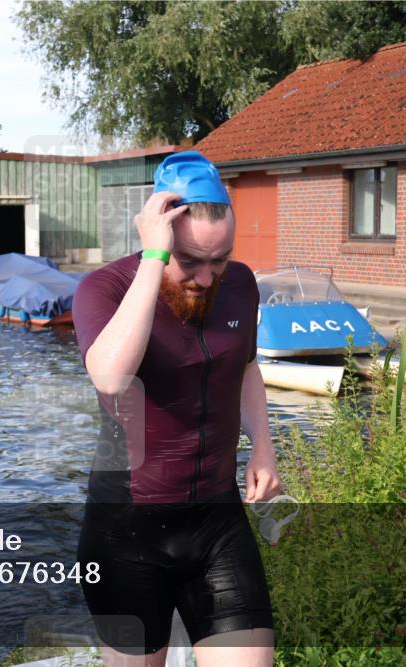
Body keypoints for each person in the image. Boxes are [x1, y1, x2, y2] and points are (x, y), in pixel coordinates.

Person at [73, 151, 281, 667]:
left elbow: (246, 367)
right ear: (158, 237)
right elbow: (110, 375)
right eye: (190, 262)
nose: (208, 279)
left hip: (216, 522)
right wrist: (153, 263)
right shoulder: (106, 288)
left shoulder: (241, 286)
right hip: (126, 533)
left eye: (221, 259)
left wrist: (264, 448)